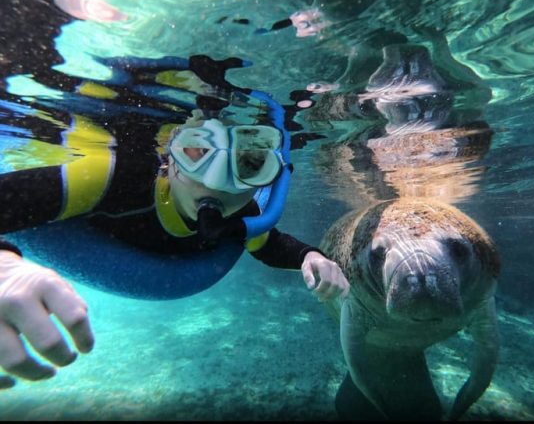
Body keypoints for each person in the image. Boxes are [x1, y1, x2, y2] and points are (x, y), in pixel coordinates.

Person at [0, 54, 349, 390]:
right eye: (198, 152)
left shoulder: (242, 217)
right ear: (171, 158)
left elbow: (267, 244)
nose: (217, 181)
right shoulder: (115, 178)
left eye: (251, 162)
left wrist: (309, 256)